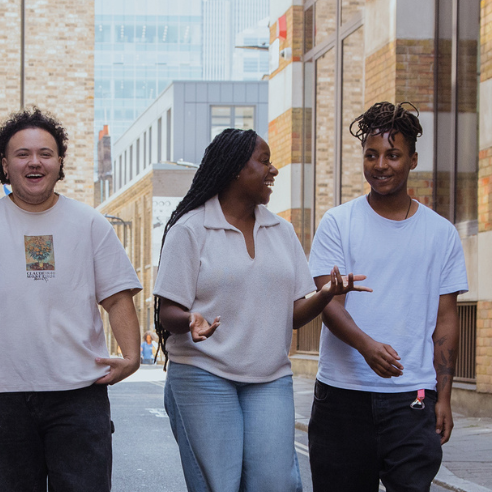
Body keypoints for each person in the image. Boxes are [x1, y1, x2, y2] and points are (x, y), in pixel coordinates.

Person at [0, 107, 143, 491]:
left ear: (60, 161)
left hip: (80, 395)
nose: (35, 162)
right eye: (23, 154)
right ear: (5, 163)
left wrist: (131, 358)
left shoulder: (90, 223)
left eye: (45, 154)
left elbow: (118, 298)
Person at [153, 128, 369, 492]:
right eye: (264, 161)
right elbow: (167, 311)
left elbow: (295, 312)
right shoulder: (191, 229)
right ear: (236, 168)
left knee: (275, 482)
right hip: (202, 372)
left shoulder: (281, 231)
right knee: (220, 483)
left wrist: (327, 293)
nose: (274, 170)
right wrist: (190, 320)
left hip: (268, 377)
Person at [307, 102, 468, 491]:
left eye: (393, 155)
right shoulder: (338, 223)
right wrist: (367, 346)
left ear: (412, 159)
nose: (381, 165)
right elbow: (328, 303)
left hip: (412, 400)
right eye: (372, 155)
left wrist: (442, 397)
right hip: (342, 398)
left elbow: (446, 320)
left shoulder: (441, 233)